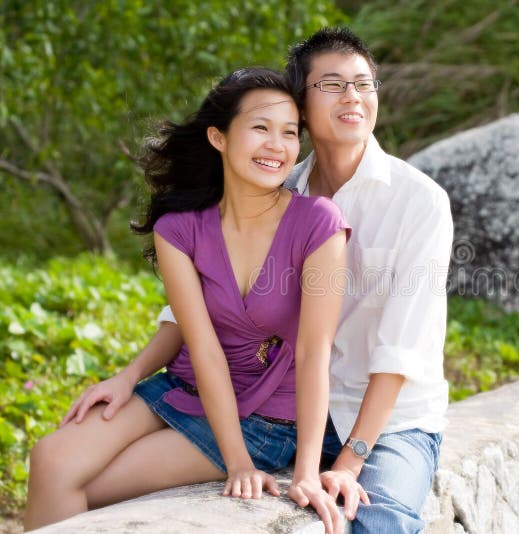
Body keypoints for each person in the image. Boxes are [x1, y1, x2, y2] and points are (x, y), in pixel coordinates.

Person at [61, 27, 453, 533]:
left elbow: (403, 348)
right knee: (95, 490)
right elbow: (196, 307)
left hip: (387, 422)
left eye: (364, 83)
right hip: (279, 408)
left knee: (375, 520)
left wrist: (351, 461)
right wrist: (129, 375)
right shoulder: (274, 183)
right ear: (303, 110)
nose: (353, 95)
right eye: (332, 85)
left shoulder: (418, 201)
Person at [23, 67, 351, 534]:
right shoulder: (178, 229)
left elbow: (314, 353)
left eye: (290, 132)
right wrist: (131, 376)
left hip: (266, 419)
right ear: (218, 137)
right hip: (183, 388)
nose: (277, 146)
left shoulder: (318, 222)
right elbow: (201, 346)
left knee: (92, 488)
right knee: (50, 459)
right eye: (260, 128)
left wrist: (297, 472)